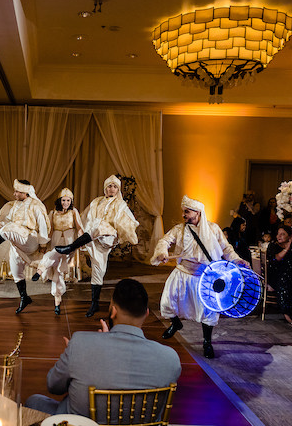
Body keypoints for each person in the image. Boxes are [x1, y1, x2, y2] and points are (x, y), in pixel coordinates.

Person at [24, 279, 181, 419]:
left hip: (78, 424)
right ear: (146, 314)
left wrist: (75, 354)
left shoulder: (80, 343)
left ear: (113, 311)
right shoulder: (171, 358)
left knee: (34, 401)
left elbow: (53, 386)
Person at [151, 195, 247, 359]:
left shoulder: (213, 229)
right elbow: (165, 241)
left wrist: (237, 259)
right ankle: (176, 324)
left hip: (205, 276)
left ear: (198, 212)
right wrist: (162, 252)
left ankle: (207, 342)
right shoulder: (179, 229)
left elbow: (226, 248)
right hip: (182, 272)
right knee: (168, 302)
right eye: (183, 212)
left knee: (208, 311)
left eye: (187, 212)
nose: (184, 215)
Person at [53, 175, 139, 317]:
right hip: (95, 238)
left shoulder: (121, 204)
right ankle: (95, 304)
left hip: (109, 236)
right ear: (105, 188)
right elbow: (85, 217)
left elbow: (131, 222)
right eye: (109, 186)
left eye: (115, 186)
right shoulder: (96, 202)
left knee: (98, 224)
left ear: (118, 190)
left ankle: (71, 247)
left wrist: (122, 233)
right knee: (98, 271)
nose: (112, 189)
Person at [0, 179, 50, 314]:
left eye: (17, 191)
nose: (14, 194)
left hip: (30, 239)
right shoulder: (15, 205)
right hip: (17, 240)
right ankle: (24, 298)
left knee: (9, 229)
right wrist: (0, 225)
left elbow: (43, 225)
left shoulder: (35, 206)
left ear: (25, 192)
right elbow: (8, 221)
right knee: (16, 273)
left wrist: (43, 244)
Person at [31, 188, 84, 315]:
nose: (65, 203)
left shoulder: (73, 212)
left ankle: (40, 269)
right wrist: (43, 244)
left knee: (58, 265)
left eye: (68, 200)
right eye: (63, 200)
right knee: (56, 269)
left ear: (71, 201)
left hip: (69, 242)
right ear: (59, 200)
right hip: (56, 240)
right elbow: (49, 230)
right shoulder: (53, 213)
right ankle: (57, 300)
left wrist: (82, 241)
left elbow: (79, 227)